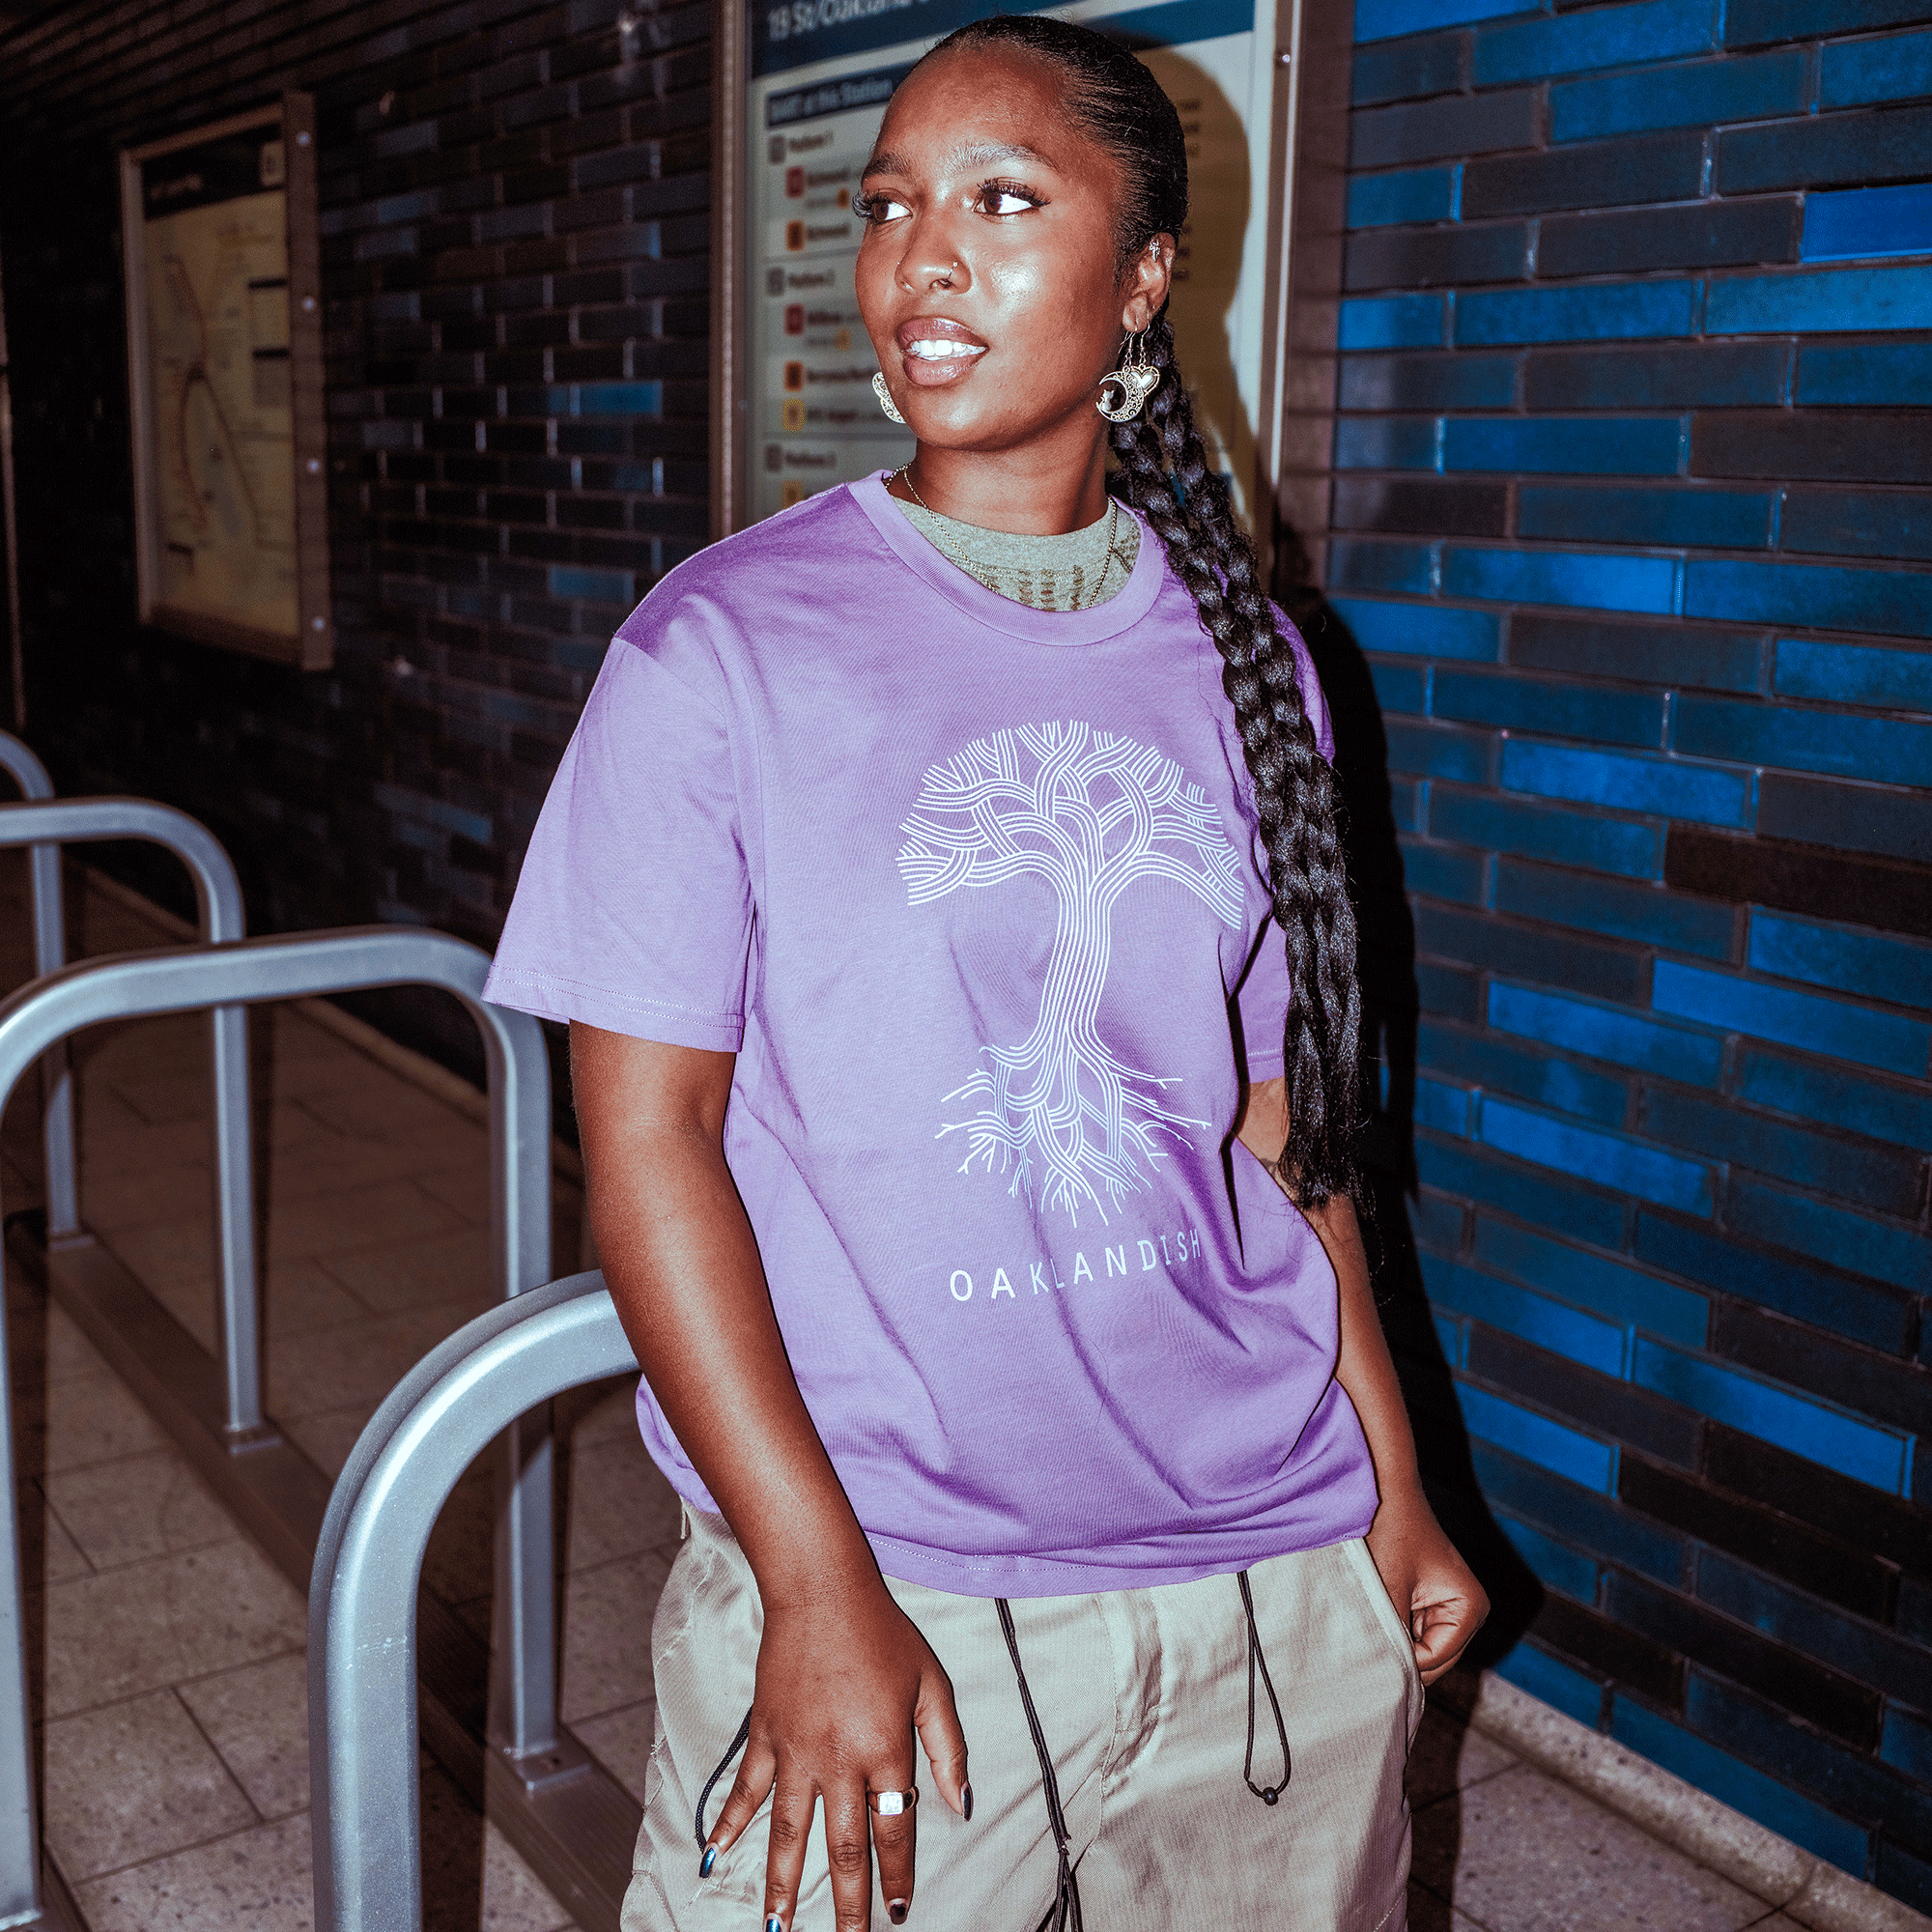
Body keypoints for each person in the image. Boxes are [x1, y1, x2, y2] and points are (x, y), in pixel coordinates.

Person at [483, 15, 1488, 1930]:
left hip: (1258, 1573)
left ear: (1143, 278)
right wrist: (810, 1582)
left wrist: (1391, 1476)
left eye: (1000, 200)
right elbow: (650, 1151)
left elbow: (1279, 1124)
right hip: (893, 1574)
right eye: (887, 208)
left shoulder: (1255, 660)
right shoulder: (723, 650)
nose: (917, 259)